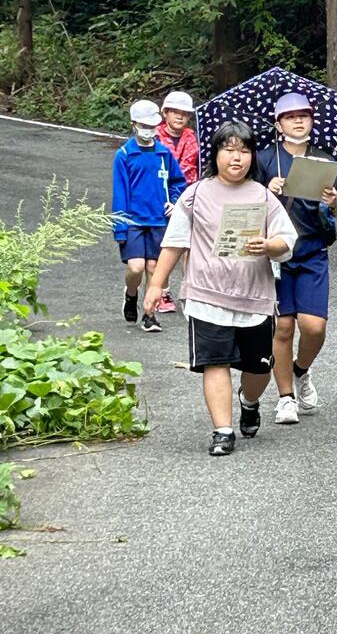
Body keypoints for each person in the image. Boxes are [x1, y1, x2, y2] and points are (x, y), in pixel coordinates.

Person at [143, 120, 297, 457]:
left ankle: (249, 400)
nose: (236, 158)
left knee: (259, 368)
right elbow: (175, 242)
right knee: (215, 363)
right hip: (205, 295)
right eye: (228, 150)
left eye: (244, 151)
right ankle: (222, 431)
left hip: (254, 297)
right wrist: (156, 285)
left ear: (252, 156)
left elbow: (287, 240)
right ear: (215, 154)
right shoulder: (195, 194)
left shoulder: (263, 196)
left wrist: (268, 246)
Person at [256, 92, 337, 425]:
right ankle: (285, 398)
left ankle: (301, 369)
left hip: (312, 251)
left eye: (303, 115)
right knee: (283, 327)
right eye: (290, 117)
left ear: (311, 120)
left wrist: (333, 201)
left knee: (314, 327)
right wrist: (267, 191)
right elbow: (247, 203)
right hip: (276, 255)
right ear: (278, 124)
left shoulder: (323, 159)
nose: (297, 121)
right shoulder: (264, 159)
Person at [112, 99, 187, 333]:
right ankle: (131, 294)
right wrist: (120, 228)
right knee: (136, 268)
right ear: (134, 125)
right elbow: (120, 193)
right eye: (144, 125)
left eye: (152, 126)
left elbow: (178, 182)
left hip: (159, 220)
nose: (149, 130)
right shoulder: (124, 155)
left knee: (154, 269)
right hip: (133, 221)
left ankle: (149, 315)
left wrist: (174, 202)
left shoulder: (164, 153)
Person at [155, 90, 200, 313]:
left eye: (185, 113)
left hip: (189, 194)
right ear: (165, 113)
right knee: (163, 246)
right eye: (175, 112)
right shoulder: (154, 137)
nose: (180, 117)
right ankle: (162, 291)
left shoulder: (194, 138)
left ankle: (190, 290)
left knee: (191, 246)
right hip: (161, 196)